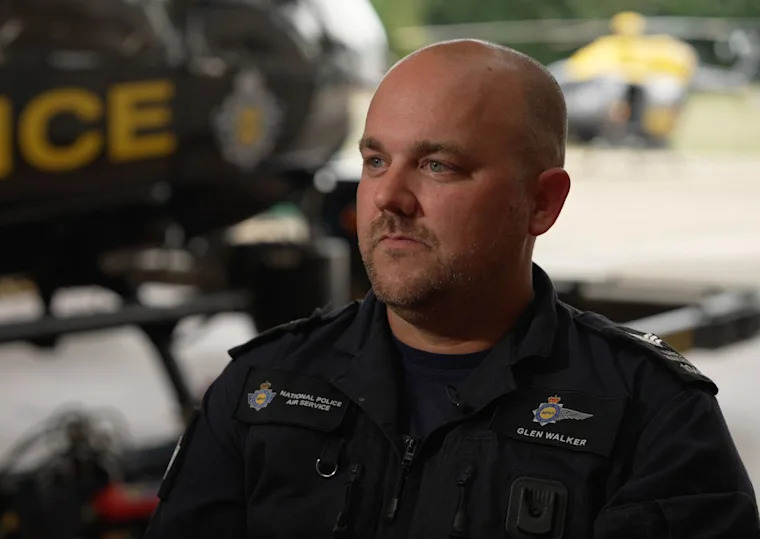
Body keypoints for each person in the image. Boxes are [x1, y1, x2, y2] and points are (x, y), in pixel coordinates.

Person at [144, 39, 760, 538]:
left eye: (438, 165)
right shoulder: (260, 391)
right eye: (375, 161)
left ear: (541, 203)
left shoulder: (653, 417)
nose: (387, 198)